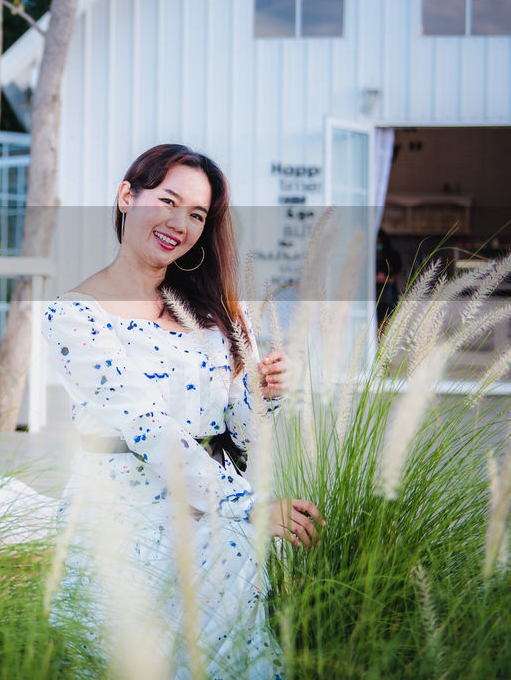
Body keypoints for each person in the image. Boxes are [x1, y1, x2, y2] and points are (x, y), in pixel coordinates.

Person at [42, 144, 322, 679]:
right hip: (125, 509)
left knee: (233, 556)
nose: (181, 224)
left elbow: (236, 433)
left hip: (212, 504)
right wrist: (249, 505)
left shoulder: (208, 310)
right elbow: (148, 429)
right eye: (168, 201)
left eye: (197, 214)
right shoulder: (77, 314)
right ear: (128, 196)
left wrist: (261, 394)